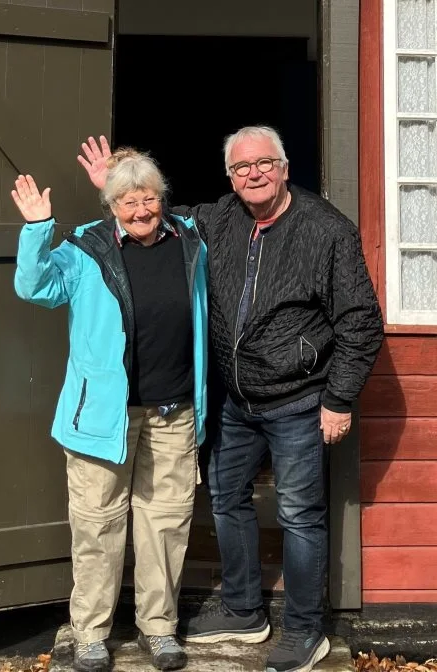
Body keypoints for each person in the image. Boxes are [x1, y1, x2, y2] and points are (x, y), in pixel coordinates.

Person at [78, 128, 384, 672]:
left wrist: (338, 399)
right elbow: (153, 218)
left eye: (264, 163)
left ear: (285, 167)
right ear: (230, 178)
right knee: (226, 499)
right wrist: (117, 187)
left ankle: (305, 629)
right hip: (234, 400)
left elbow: (360, 321)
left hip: (297, 400)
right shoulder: (217, 220)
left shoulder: (327, 231)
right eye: (242, 169)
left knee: (297, 514)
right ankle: (245, 611)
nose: (254, 175)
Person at [11, 149, 209, 672]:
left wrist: (121, 175)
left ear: (162, 199)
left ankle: (159, 627)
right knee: (98, 526)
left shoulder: (190, 238)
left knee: (165, 523)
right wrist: (37, 228)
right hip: (103, 415)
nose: (140, 210)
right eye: (127, 200)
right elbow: (35, 287)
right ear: (110, 205)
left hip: (174, 411)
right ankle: (91, 632)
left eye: (148, 198)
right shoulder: (84, 247)